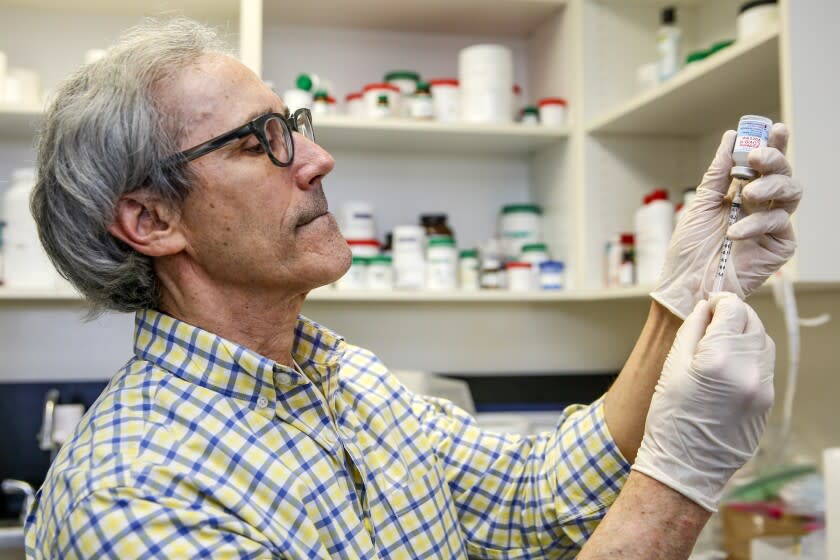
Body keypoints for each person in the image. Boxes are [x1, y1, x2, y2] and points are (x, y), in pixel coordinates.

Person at [24, 19, 801, 560]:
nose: (317, 158)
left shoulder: (345, 380)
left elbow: (534, 496)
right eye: (260, 142)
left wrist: (680, 298)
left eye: (294, 124)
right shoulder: (133, 495)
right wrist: (676, 482)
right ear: (152, 220)